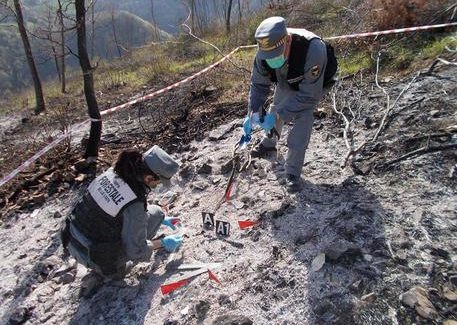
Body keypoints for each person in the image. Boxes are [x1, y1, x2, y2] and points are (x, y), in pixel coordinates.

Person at [61, 145, 182, 282]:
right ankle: (108, 270)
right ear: (148, 178)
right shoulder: (135, 205)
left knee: (158, 214)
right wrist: (162, 243)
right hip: (92, 256)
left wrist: (162, 219)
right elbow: (136, 251)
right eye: (158, 182)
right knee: (121, 269)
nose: (158, 185)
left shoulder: (112, 172)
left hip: (70, 237)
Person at [244, 16, 337, 192]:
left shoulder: (312, 48)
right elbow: (258, 84)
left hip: (313, 83)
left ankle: (293, 172)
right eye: (268, 56)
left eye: (275, 55)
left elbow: (309, 96)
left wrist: (279, 115)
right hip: (287, 77)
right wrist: (254, 112)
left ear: (287, 40)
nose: (271, 59)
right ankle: (269, 143)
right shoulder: (263, 54)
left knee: (302, 117)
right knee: (277, 104)